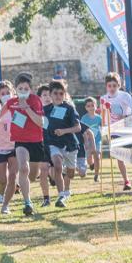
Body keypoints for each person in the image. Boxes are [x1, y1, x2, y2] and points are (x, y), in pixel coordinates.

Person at [0, 73, 45, 216]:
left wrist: (26, 108)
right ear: (16, 89)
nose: (23, 91)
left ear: (30, 90)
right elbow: (4, 108)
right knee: (23, 169)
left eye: (26, 89)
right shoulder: (12, 102)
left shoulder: (35, 100)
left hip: (36, 141)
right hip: (20, 142)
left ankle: (21, 185)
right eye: (20, 88)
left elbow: (40, 122)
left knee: (32, 176)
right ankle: (27, 202)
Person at [44, 80, 81, 208]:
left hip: (70, 144)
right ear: (50, 94)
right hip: (53, 143)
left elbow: (78, 128)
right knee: (57, 166)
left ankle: (67, 187)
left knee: (70, 173)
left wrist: (64, 131)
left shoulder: (69, 108)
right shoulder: (46, 110)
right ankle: (61, 196)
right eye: (55, 93)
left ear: (64, 95)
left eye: (61, 93)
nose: (58, 96)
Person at [100, 73, 132, 191]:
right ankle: (126, 180)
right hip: (113, 130)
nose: (112, 88)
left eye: (114, 86)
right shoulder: (103, 98)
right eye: (109, 86)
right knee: (119, 156)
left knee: (130, 153)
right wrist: (104, 129)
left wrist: (125, 117)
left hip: (127, 129)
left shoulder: (125, 96)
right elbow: (103, 115)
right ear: (106, 86)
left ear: (119, 85)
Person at [0, 81, 18, 213]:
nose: (6, 95)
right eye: (3, 94)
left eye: (8, 93)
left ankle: (8, 200)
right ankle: (1, 192)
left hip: (14, 146)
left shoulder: (17, 109)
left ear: (13, 93)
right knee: (2, 179)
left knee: (12, 175)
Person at [80, 97, 102, 182]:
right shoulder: (84, 118)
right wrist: (85, 140)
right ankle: (91, 164)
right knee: (89, 158)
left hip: (97, 140)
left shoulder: (99, 118)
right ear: (86, 108)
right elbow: (82, 130)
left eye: (92, 105)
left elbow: (102, 127)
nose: (91, 107)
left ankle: (97, 175)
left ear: (96, 106)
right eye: (88, 106)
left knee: (97, 157)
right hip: (88, 141)